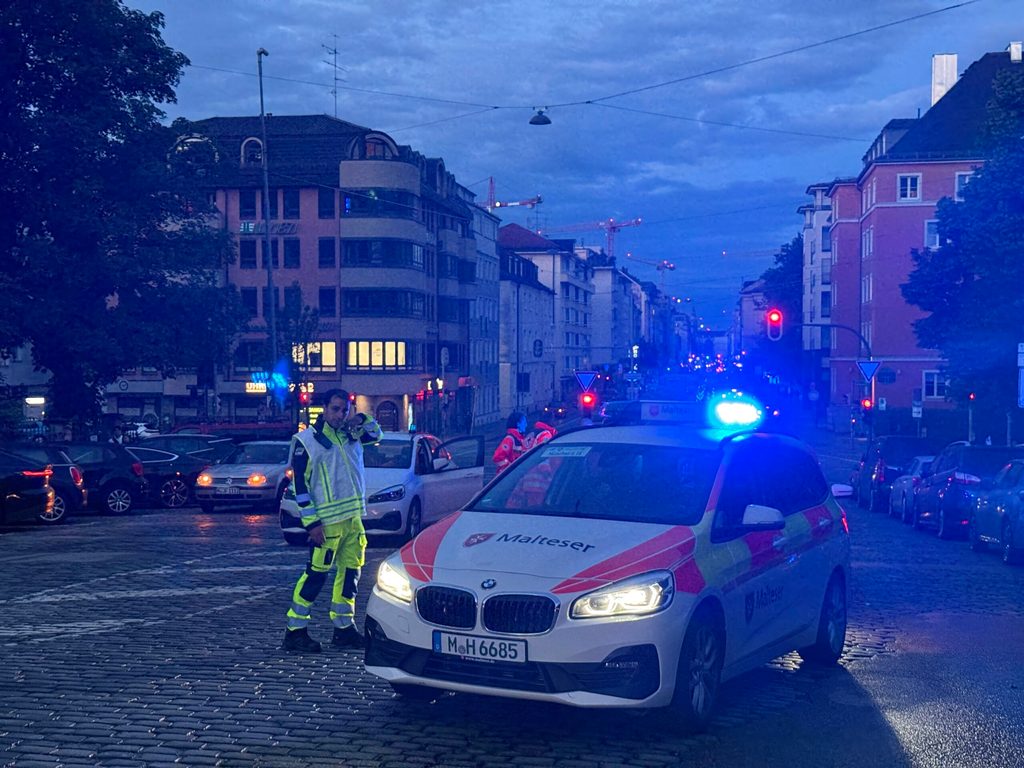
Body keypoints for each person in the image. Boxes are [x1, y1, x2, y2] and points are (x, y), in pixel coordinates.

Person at [282, 388, 382, 654]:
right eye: (335, 409)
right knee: (315, 577)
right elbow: (300, 488)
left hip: (353, 520)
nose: (340, 415)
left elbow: (376, 434)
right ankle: (295, 631)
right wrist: (312, 524)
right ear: (324, 409)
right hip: (326, 523)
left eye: (344, 410)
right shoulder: (307, 441)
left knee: (350, 576)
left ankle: (344, 628)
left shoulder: (352, 434)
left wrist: (360, 419)